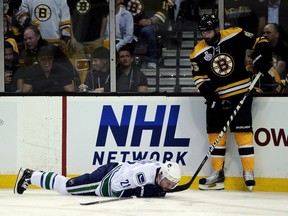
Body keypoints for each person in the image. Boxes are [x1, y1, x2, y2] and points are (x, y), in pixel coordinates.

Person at [190, 14, 273, 191]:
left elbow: (260, 42)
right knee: (214, 134)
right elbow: (199, 77)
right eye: (203, 32)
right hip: (218, 97)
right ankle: (217, 173)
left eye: (209, 31)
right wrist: (209, 96)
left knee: (243, 133)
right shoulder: (197, 51)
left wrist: (262, 57)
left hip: (241, 92)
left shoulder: (235, 34)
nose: (207, 35)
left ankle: (248, 171)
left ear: (217, 28)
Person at [15, 160, 181, 198]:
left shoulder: (161, 169)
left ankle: (33, 175)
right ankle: (30, 176)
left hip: (113, 169)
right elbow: (112, 186)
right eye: (168, 183)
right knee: (67, 188)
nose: (169, 186)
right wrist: (142, 191)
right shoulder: (143, 175)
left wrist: (156, 189)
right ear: (161, 176)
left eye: (172, 185)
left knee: (67, 186)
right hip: (106, 178)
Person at [125, 0, 175, 68]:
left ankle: (152, 60)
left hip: (148, 24)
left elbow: (164, 12)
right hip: (128, 24)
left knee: (148, 31)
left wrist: (150, 20)